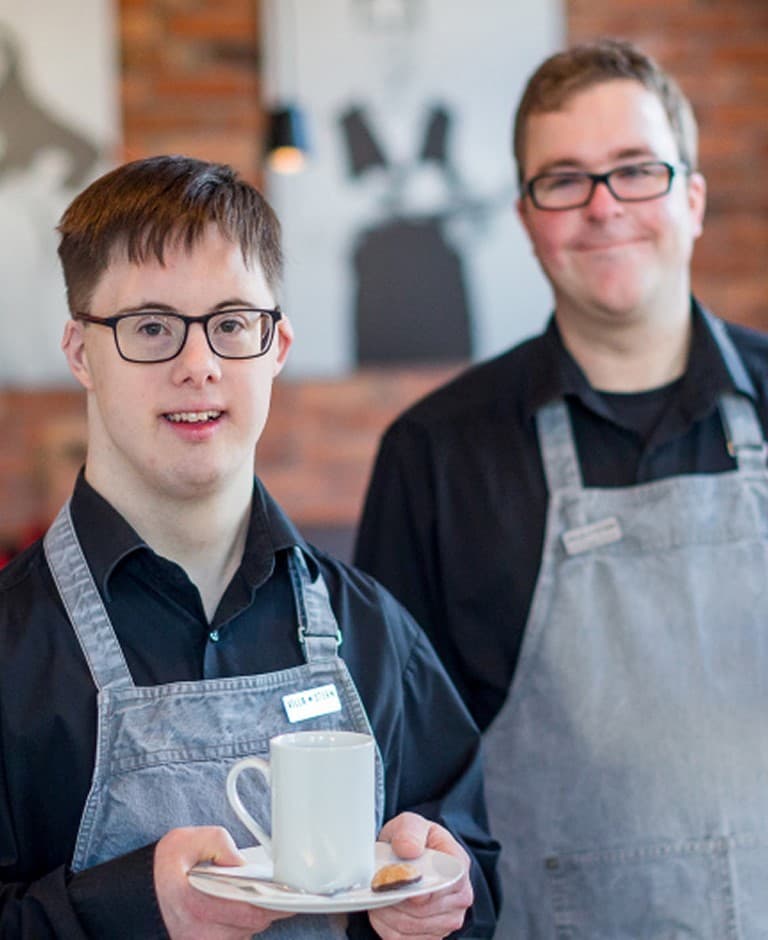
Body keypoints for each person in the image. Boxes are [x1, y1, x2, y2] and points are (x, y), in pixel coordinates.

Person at [0, 155, 499, 939]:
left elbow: (477, 874)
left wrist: (437, 899)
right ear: (78, 351)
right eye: (152, 327)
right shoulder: (12, 647)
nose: (198, 366)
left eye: (231, 324)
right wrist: (131, 906)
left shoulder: (372, 629)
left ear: (278, 345)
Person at [354, 38, 768, 936]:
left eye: (635, 171)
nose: (603, 206)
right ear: (527, 214)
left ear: (692, 199)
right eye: (565, 179)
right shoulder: (434, 456)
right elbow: (394, 777)